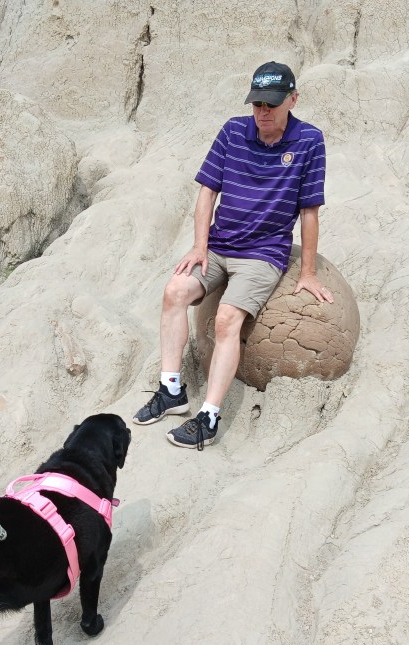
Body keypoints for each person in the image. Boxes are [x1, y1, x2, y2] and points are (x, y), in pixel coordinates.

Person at [133, 61, 332, 450]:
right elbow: (207, 191)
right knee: (174, 292)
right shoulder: (232, 131)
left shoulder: (309, 141)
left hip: (262, 254)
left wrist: (307, 272)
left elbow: (309, 211)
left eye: (272, 105)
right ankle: (171, 390)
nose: (263, 112)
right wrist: (200, 244)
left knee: (226, 319)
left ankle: (208, 417)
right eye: (257, 103)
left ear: (293, 99)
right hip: (219, 245)